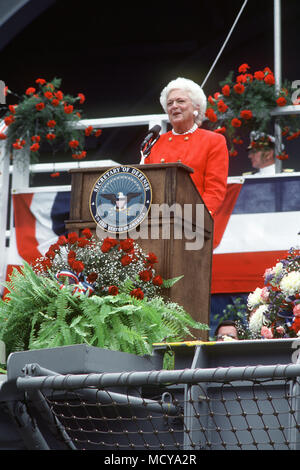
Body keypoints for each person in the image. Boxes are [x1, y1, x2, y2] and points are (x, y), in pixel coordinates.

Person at [144, 77, 229, 217]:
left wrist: (195, 218)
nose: (174, 106)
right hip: (157, 222)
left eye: (180, 101)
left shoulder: (213, 141)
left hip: (193, 223)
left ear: (196, 107)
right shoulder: (154, 143)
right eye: (170, 103)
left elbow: (215, 190)